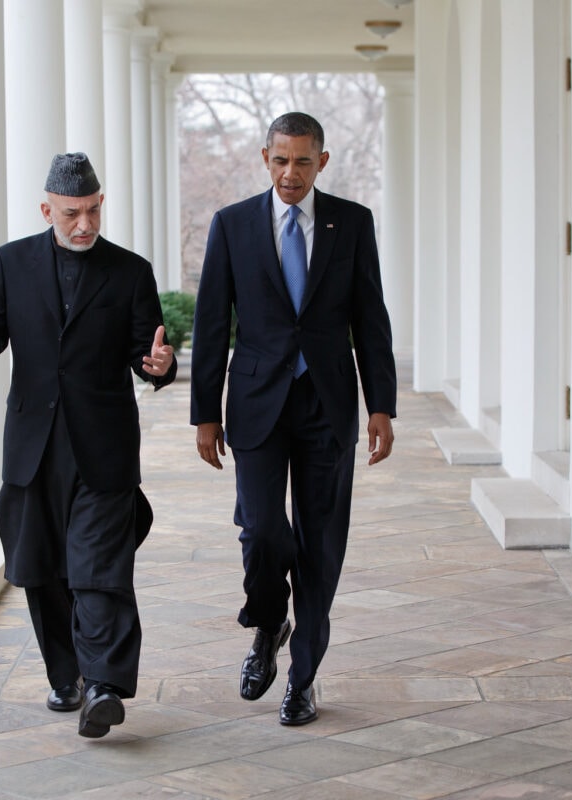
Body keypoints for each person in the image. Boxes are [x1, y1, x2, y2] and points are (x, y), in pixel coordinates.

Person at [0, 152, 176, 738]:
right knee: (43, 569)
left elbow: (147, 352)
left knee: (98, 567)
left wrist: (159, 365)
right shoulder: (11, 263)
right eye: (72, 214)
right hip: (33, 447)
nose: (84, 225)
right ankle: (65, 675)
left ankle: (104, 683)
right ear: (47, 209)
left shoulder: (131, 271)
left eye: (93, 211)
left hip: (103, 448)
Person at [190, 112, 397, 726]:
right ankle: (268, 621)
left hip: (327, 403)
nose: (290, 172)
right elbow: (209, 323)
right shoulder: (232, 225)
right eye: (280, 160)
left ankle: (303, 677)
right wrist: (204, 414)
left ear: (322, 163)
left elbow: (371, 318)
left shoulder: (352, 223)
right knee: (260, 531)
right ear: (265, 157)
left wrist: (380, 404)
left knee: (321, 545)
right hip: (255, 404)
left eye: (303, 161)